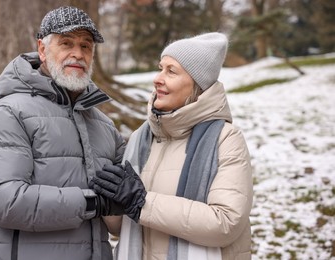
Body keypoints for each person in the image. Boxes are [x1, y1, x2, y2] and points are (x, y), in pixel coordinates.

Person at [0, 6, 126, 260]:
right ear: (42, 50)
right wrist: (93, 203)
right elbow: (4, 201)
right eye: (66, 43)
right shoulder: (9, 114)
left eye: (86, 46)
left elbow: (123, 202)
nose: (78, 54)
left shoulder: (104, 126)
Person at [91, 32, 254, 260]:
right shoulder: (141, 138)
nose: (158, 78)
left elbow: (225, 222)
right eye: (160, 68)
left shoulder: (225, 139)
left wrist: (142, 202)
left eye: (171, 71)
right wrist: (111, 199)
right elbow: (122, 227)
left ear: (198, 85)